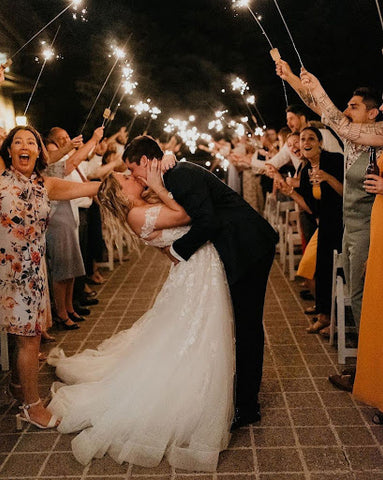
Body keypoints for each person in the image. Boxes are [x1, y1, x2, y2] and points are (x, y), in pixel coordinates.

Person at [47, 161, 234, 471]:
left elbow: (169, 238)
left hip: (194, 267)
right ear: (121, 192)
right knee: (197, 333)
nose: (130, 176)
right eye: (125, 177)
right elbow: (186, 215)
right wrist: (160, 188)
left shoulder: (141, 207)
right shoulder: (136, 213)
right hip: (196, 269)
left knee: (193, 331)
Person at [125, 136, 278, 430]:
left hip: (249, 247)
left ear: (145, 162)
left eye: (133, 171)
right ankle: (239, 394)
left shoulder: (180, 176)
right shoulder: (173, 173)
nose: (135, 178)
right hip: (239, 246)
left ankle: (247, 406)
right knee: (240, 323)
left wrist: (175, 252)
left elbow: (207, 221)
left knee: (248, 325)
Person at [275, 60, 383, 391]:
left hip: (369, 228)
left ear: (373, 113)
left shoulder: (377, 135)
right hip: (350, 229)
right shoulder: (354, 141)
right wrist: (292, 77)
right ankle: (365, 367)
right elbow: (317, 108)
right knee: (355, 296)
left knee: (367, 299)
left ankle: (371, 372)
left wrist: (319, 87)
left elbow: (336, 118)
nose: (346, 111)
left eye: (354, 106)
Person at [0, 126, 101, 429]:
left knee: (26, 338)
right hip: (8, 273)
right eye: (17, 141)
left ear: (40, 153)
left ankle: (19, 388)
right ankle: (32, 406)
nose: (25, 145)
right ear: (8, 152)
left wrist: (131, 182)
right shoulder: (0, 184)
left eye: (31, 141)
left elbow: (91, 188)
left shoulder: (47, 184)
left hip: (34, 272)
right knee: (27, 341)